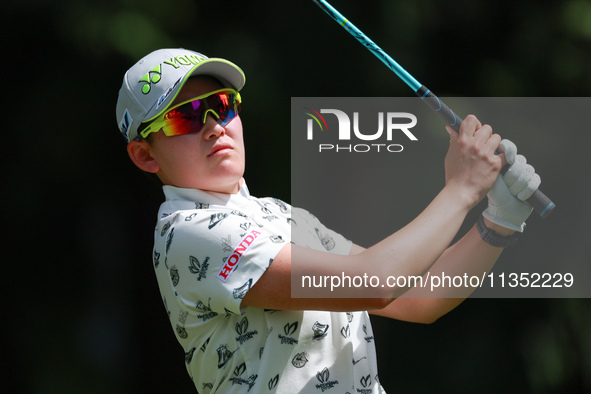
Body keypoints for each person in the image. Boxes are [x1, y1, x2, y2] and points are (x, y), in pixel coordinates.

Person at [116, 48, 540, 393]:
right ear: (145, 155)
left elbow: (417, 298)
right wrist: (461, 190)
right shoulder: (187, 233)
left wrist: (499, 223)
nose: (214, 127)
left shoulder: (281, 216)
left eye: (222, 106)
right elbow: (374, 284)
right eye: (184, 117)